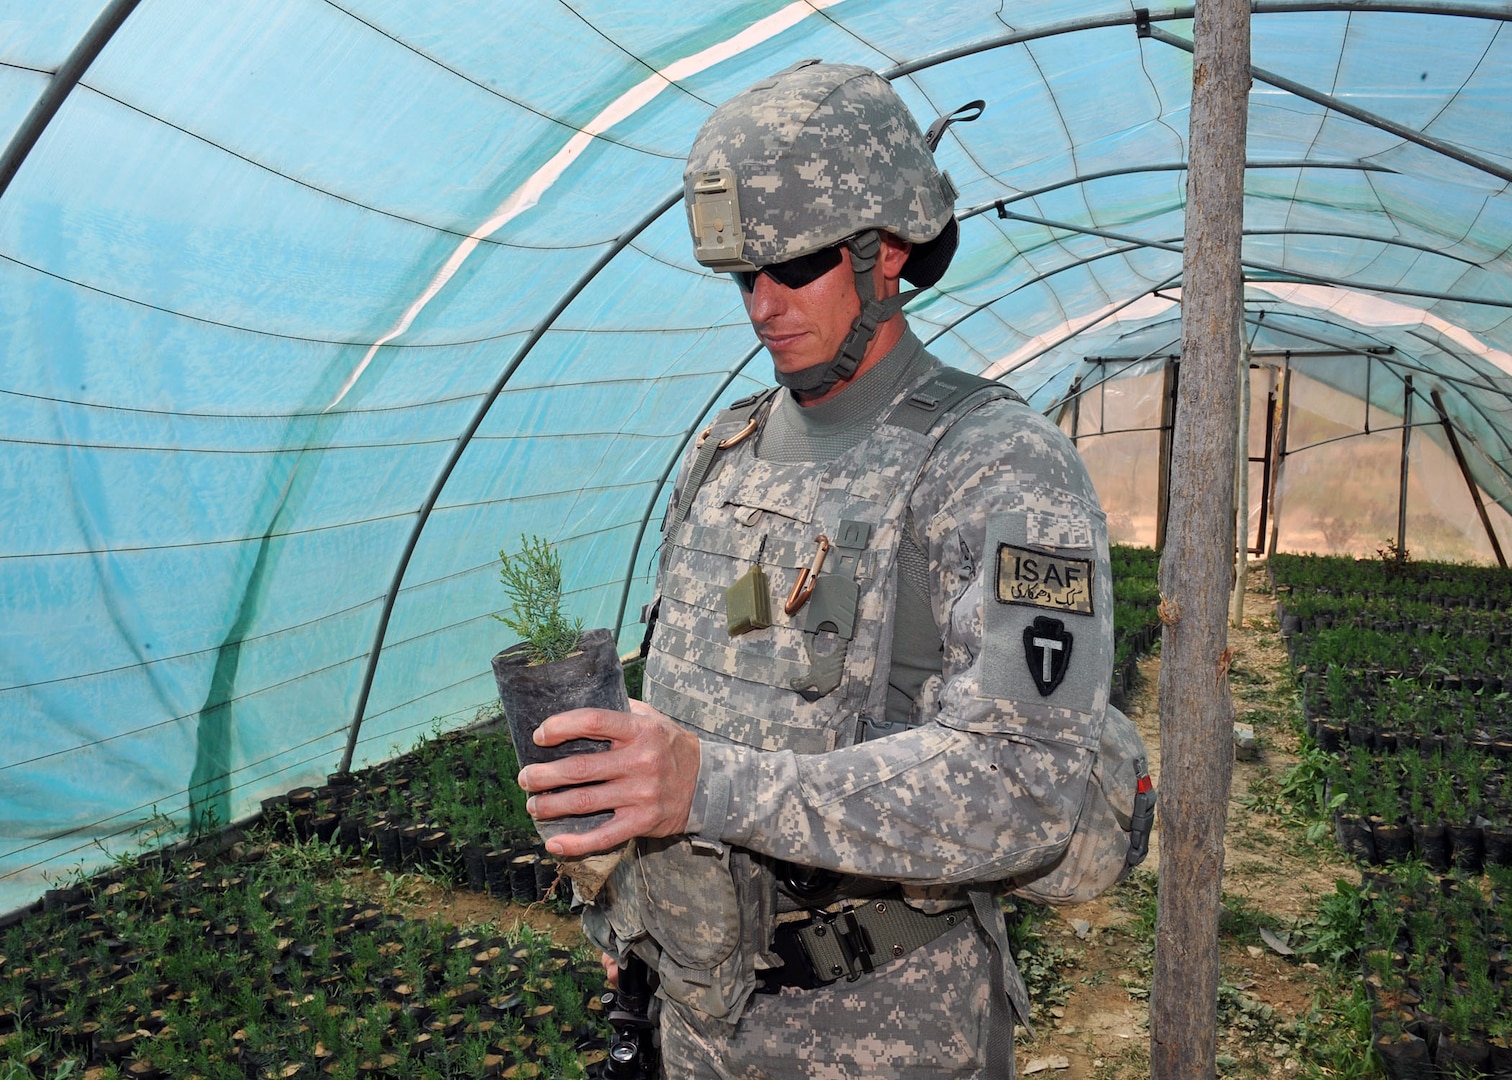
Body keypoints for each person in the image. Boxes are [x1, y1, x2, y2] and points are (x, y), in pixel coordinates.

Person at [517, 60, 1123, 1079]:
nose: (762, 305)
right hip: (697, 1016)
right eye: (741, 277)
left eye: (791, 268)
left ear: (882, 252)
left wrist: (706, 786)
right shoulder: (725, 452)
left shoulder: (996, 466)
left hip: (880, 1031)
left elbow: (1024, 785)